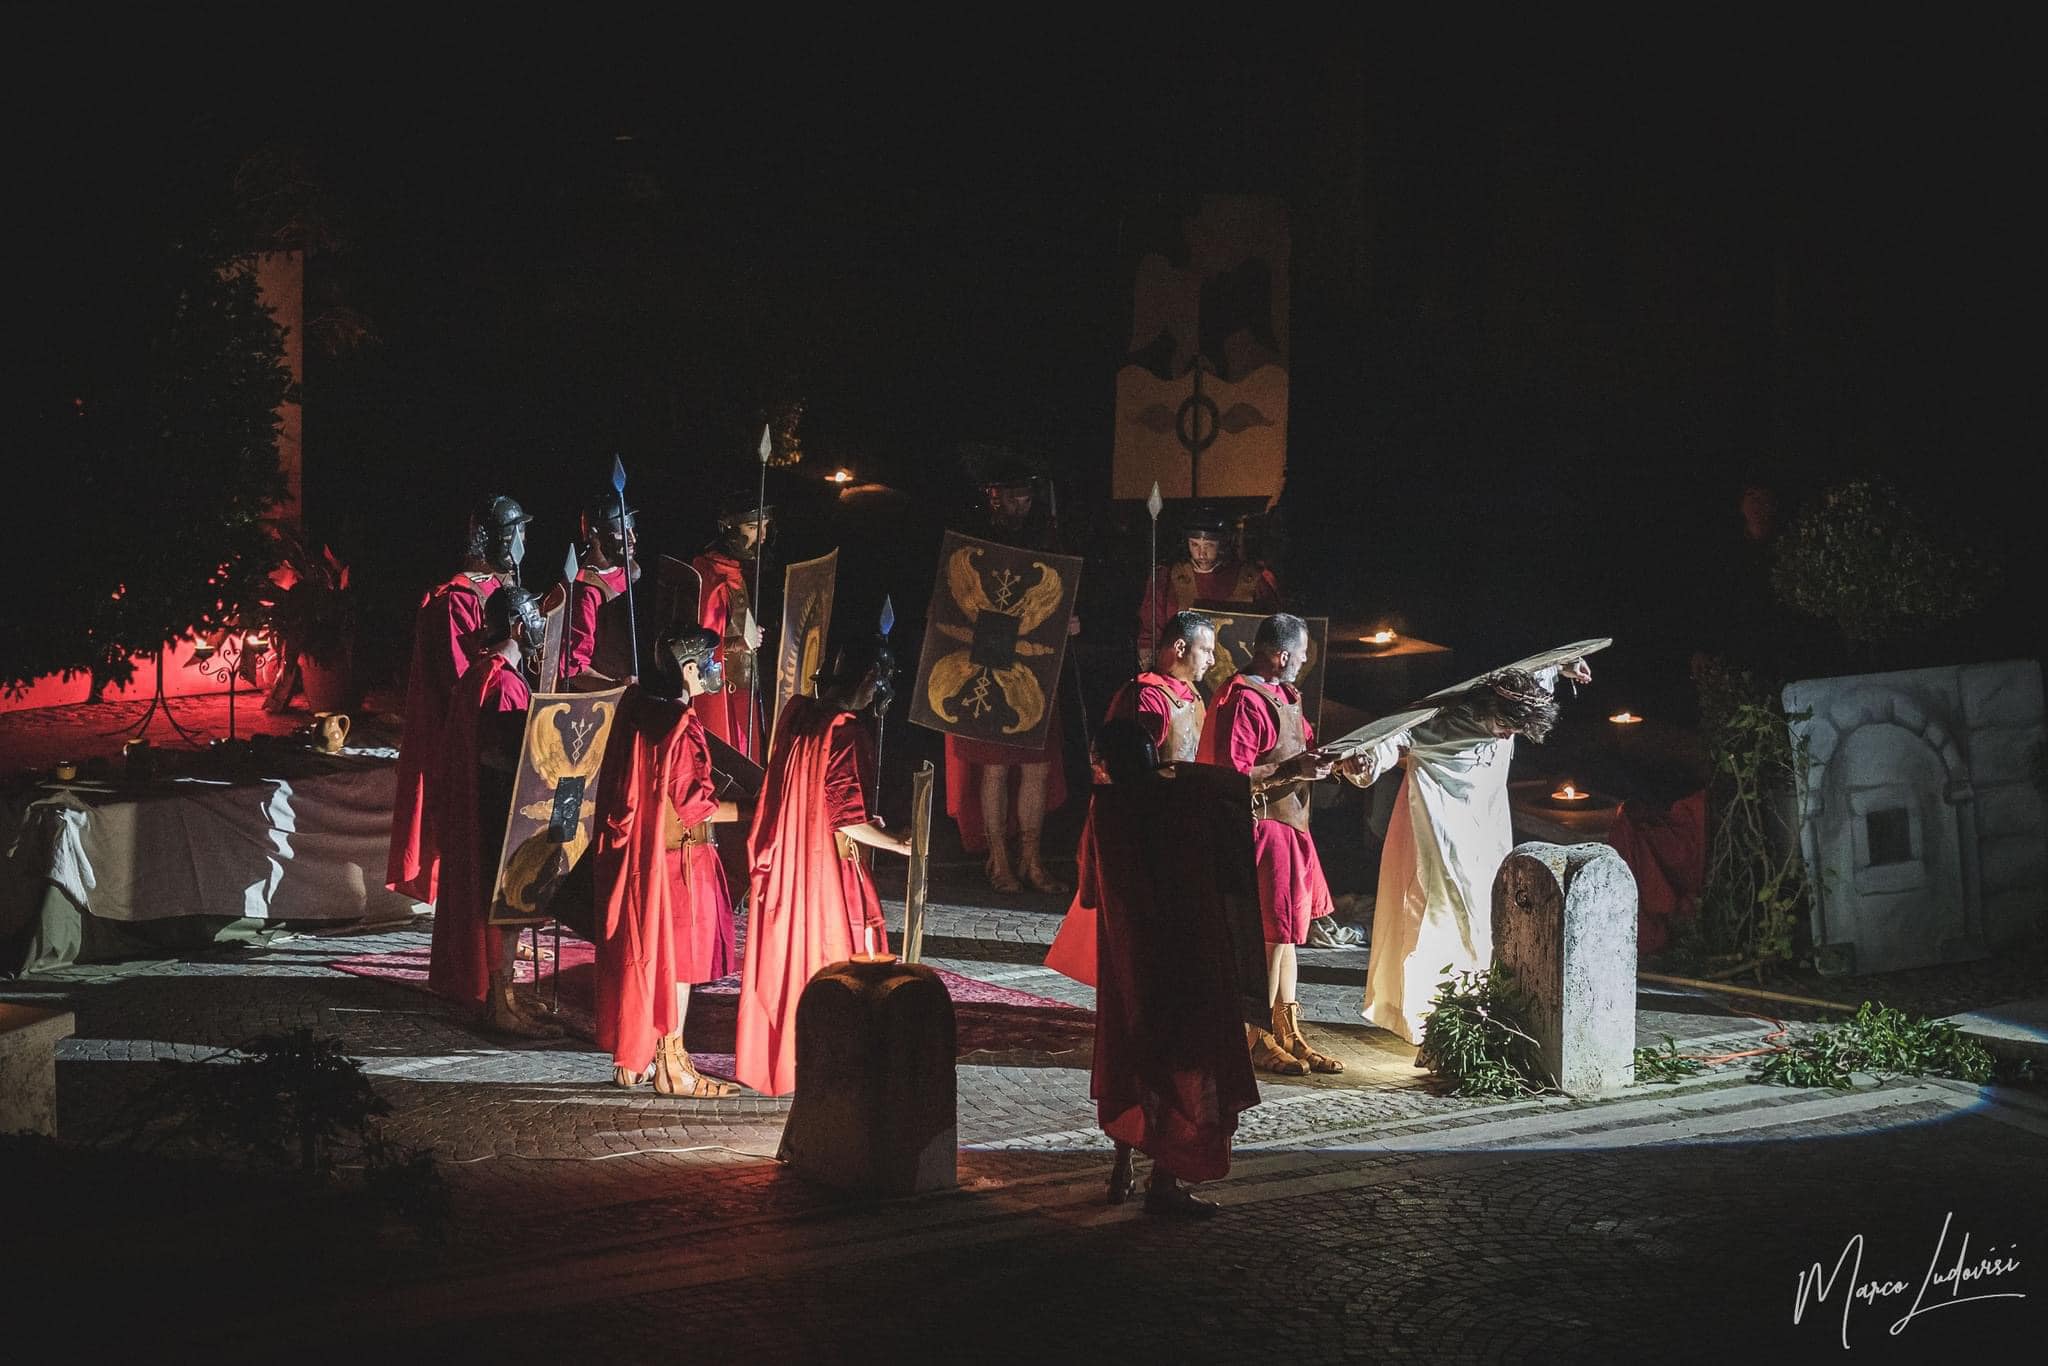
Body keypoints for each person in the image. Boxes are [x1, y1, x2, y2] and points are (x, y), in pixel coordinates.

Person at [1341, 660, 1593, 1045]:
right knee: (1442, 911)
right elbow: (1394, 740)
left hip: (1485, 828)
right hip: (1440, 830)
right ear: (1488, 710)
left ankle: (1476, 1002)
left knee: (1485, 915)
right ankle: (1429, 1009)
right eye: (1504, 727)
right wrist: (1365, 761)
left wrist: (1562, 670)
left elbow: (1532, 682)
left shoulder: (1508, 719)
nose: (1507, 736)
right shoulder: (1445, 724)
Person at [1085, 716, 1260, 1218]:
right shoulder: (1187, 801)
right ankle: (1164, 1179)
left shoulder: (1107, 811)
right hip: (1190, 957)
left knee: (1134, 1056)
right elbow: (1230, 804)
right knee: (1186, 1062)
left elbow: (1089, 892)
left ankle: (1124, 1166)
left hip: (1132, 964)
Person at [733, 627, 911, 1097]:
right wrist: (899, 843)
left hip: (794, 865)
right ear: (870, 677)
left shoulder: (800, 715)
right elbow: (845, 818)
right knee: (848, 958)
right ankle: (837, 1068)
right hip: (827, 873)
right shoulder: (845, 732)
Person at [592, 626, 744, 1097]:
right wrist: (759, 810)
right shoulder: (681, 723)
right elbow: (693, 803)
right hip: (680, 857)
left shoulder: (636, 708)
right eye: (709, 661)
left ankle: (636, 1057)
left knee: (649, 954)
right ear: (690, 669)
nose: (715, 670)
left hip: (644, 852)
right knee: (678, 962)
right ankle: (672, 1066)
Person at [1196, 612, 1346, 1076]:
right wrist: (1292, 771)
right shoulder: (1242, 699)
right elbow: (1228, 772)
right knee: (1266, 936)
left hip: (1290, 829)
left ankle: (1289, 1032)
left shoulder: (1286, 695)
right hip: (1260, 829)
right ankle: (1255, 1037)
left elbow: (1299, 750)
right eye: (1301, 655)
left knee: (1287, 938)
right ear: (1280, 655)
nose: (1304, 662)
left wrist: (1336, 762)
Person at [1044, 609, 1216, 986]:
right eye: (1206, 651)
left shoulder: (1194, 697)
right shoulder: (1146, 696)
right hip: (1144, 828)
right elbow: (1126, 769)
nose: (1212, 660)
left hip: (1179, 825)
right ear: (1180, 647)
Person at [427, 584, 561, 1039]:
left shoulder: (482, 672)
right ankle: (501, 1004)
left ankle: (505, 996)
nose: (540, 632)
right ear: (521, 627)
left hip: (481, 807)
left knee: (503, 907)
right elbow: (507, 756)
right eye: (536, 624)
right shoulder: (502, 682)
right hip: (500, 811)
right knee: (506, 907)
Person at [944, 456, 1076, 893]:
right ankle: (999, 859)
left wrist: (1068, 620)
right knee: (995, 768)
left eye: (1026, 494)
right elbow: (953, 598)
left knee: (1037, 766)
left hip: (1034, 666)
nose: (1021, 503)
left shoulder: (1046, 537)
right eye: (1013, 494)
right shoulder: (973, 537)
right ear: (994, 495)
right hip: (984, 662)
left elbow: (1058, 593)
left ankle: (1032, 860)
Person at [387, 494, 528, 903]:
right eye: (516, 533)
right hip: (464, 738)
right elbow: (464, 684)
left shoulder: (502, 589)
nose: (521, 543)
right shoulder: (452, 602)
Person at [1136, 505, 1282, 658]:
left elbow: (1275, 631)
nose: (1201, 553)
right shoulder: (1167, 577)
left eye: (1209, 545)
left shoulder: (1254, 578)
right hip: (1182, 668)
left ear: (1224, 543)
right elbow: (1150, 631)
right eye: (1195, 545)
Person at [692, 491, 771, 761]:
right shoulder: (712, 577)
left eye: (765, 526)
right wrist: (739, 643)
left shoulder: (734, 570)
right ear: (730, 528)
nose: (761, 536)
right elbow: (702, 649)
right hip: (725, 694)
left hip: (745, 687)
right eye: (752, 527)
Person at [562, 490, 641, 690]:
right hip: (610, 703)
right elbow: (574, 669)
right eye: (621, 532)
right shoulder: (586, 592)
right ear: (596, 535)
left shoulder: (630, 571)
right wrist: (617, 687)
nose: (632, 539)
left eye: (632, 530)